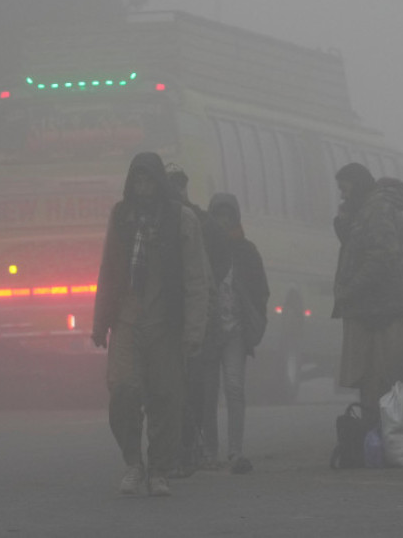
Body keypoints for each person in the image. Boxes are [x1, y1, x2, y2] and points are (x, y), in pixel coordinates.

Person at [91, 152, 209, 497]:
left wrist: (194, 331)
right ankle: (133, 463)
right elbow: (108, 271)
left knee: (166, 399)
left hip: (166, 324)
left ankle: (159, 469)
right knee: (123, 390)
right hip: (126, 321)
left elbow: (196, 278)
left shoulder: (181, 219)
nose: (143, 188)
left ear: (158, 183)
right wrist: (100, 322)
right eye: (137, 181)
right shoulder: (122, 216)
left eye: (148, 181)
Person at [332, 162, 403, 432]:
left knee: (378, 378)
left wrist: (351, 288)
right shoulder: (367, 209)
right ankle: (379, 435)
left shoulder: (377, 208)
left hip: (378, 309)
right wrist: (344, 221)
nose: (343, 196)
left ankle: (383, 434)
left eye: (345, 189)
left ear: (357, 184)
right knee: (372, 378)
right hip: (373, 307)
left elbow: (382, 255)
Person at [165, 165, 227, 477]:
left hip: (194, 315)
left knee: (191, 386)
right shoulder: (193, 220)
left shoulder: (194, 221)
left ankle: (186, 448)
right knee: (187, 386)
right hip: (184, 316)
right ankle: (185, 449)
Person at [200, 192, 270, 475]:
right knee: (207, 392)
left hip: (236, 330)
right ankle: (210, 450)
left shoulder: (246, 251)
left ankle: (235, 451)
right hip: (209, 330)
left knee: (234, 388)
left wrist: (254, 316)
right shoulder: (202, 249)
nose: (223, 220)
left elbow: (261, 290)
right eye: (218, 215)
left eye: (227, 215)